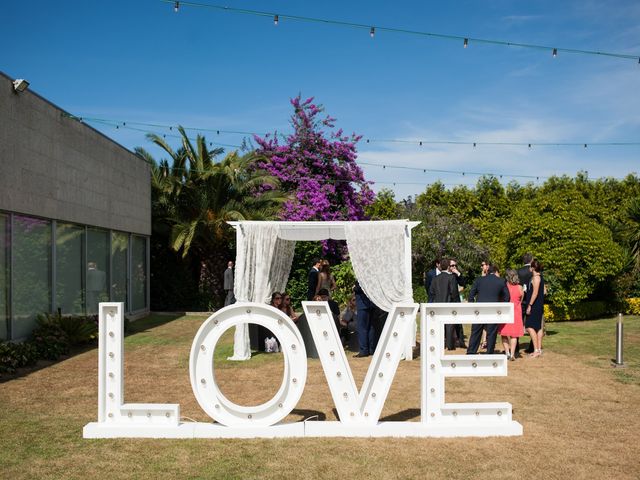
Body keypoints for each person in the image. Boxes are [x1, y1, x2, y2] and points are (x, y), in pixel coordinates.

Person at [466, 264, 510, 354]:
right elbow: (507, 297)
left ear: (487, 271)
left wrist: (472, 307)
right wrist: (500, 306)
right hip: (493, 310)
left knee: (476, 332)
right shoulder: (501, 281)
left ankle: (471, 352)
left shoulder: (479, 280)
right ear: (495, 272)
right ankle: (489, 352)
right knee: (491, 333)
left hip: (478, 310)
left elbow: (471, 295)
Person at [428, 258, 461, 350]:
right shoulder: (451, 278)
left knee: (438, 325)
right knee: (450, 325)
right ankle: (450, 346)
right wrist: (455, 303)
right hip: (448, 304)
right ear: (448, 266)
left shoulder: (435, 279)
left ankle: (439, 344)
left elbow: (431, 292)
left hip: (437, 304)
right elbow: (454, 292)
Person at [500, 269, 524, 360]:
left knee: (504, 333)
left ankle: (507, 353)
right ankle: (513, 354)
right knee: (514, 335)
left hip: (506, 311)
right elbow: (521, 299)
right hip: (516, 312)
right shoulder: (520, 287)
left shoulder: (505, 286)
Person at [525, 259, 545, 358]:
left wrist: (530, 305)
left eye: (530, 266)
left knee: (529, 326)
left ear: (532, 268)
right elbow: (544, 291)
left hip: (535, 305)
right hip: (539, 304)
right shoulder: (539, 277)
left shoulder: (536, 278)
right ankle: (538, 349)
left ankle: (536, 350)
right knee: (538, 327)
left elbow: (535, 293)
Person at [517, 253, 534, 354]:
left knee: (518, 323)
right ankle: (532, 346)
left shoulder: (518, 271)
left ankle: (516, 345)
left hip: (521, 300)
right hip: (531, 299)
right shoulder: (534, 271)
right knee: (532, 324)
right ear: (531, 260)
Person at [354, 281, 375, 358]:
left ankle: (364, 350)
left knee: (362, 327)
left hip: (363, 303)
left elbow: (362, 287)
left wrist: (355, 288)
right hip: (372, 303)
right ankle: (371, 349)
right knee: (371, 327)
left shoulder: (362, 273)